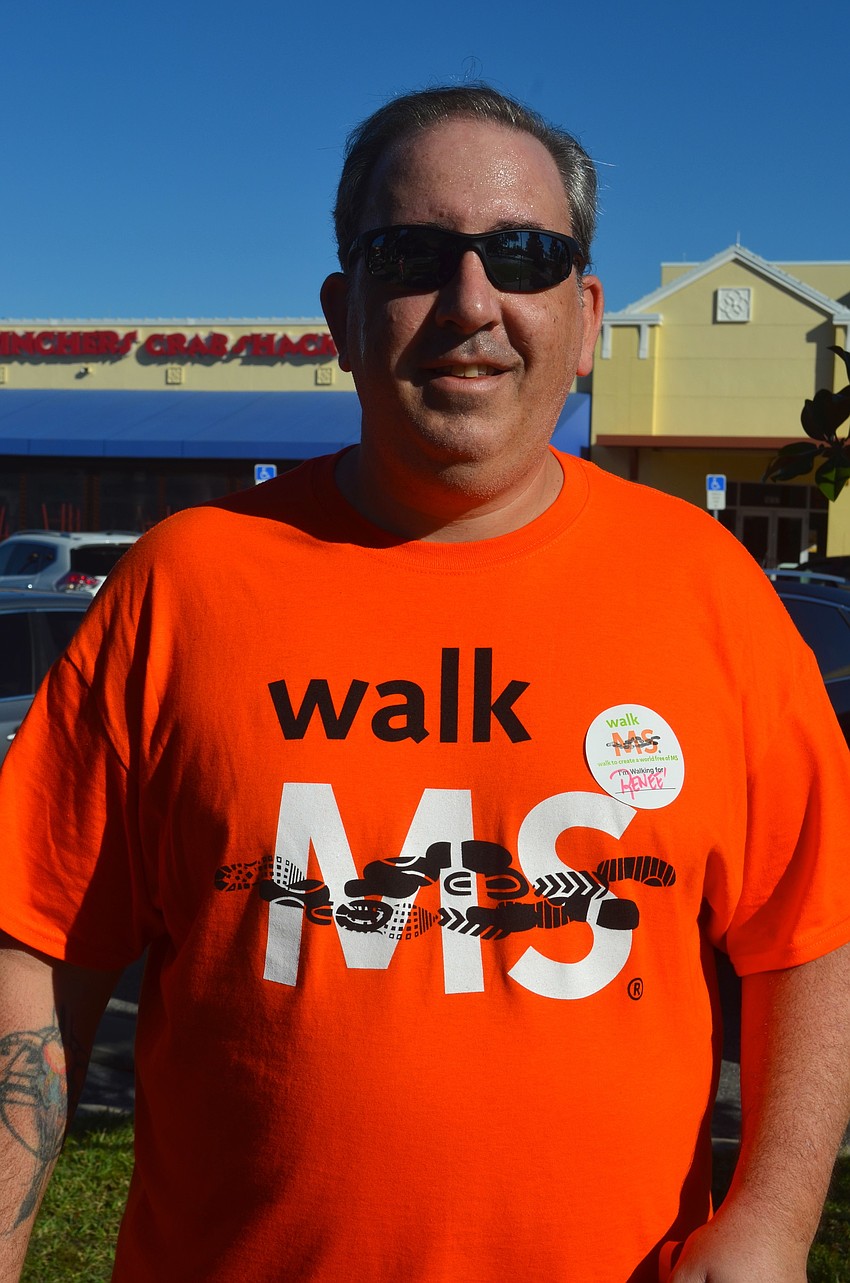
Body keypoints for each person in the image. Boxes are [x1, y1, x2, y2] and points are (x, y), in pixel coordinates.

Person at [1, 84, 850, 1283]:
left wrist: (772, 1214)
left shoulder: (707, 588)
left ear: (584, 316)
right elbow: (36, 945)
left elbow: (811, 933)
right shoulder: (184, 583)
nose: (471, 302)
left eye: (524, 254)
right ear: (342, 314)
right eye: (410, 254)